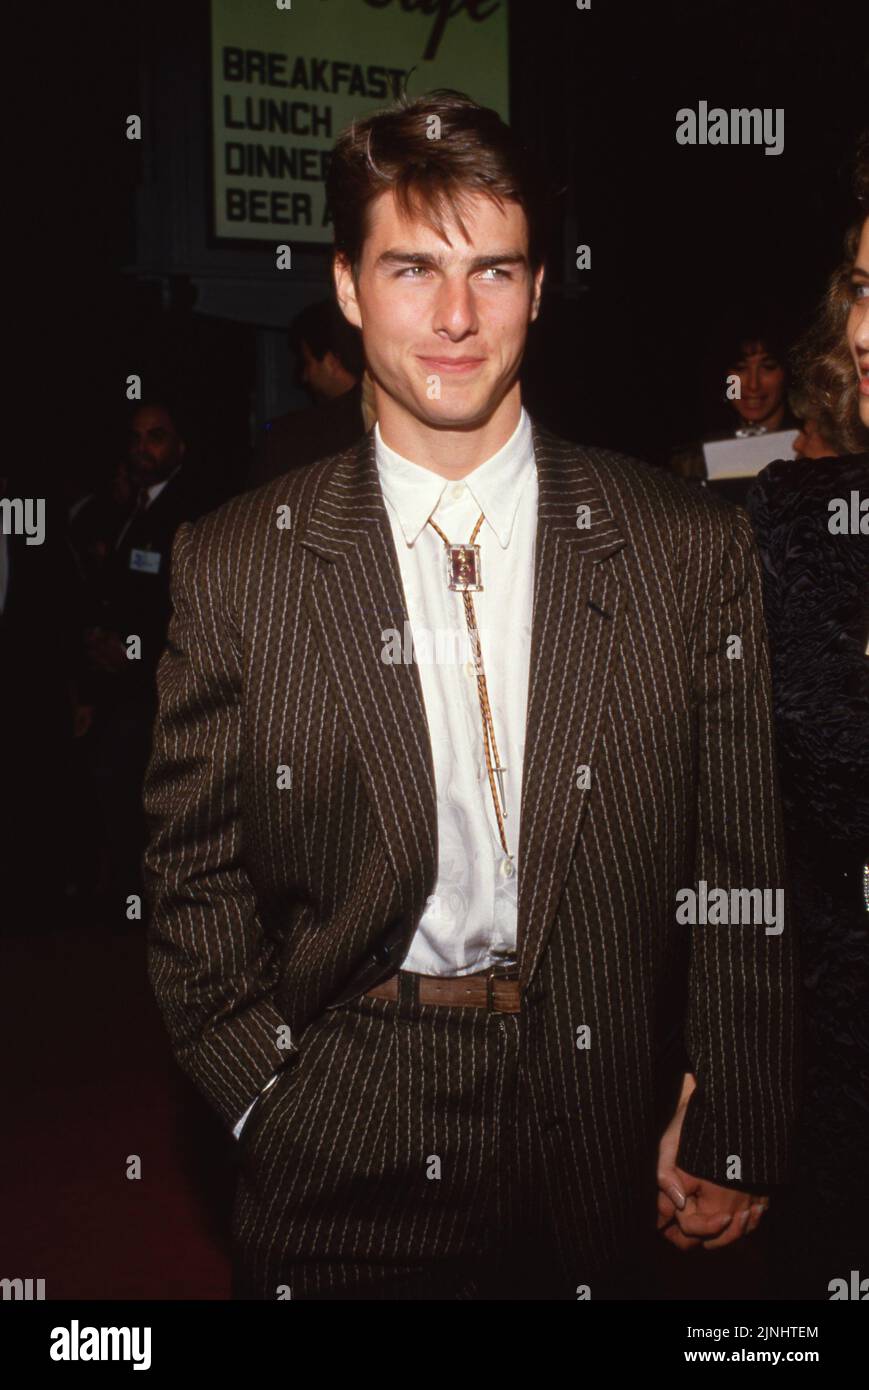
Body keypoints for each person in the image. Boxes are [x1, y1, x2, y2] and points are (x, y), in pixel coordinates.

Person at [143, 89, 799, 1302]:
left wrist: (735, 1111)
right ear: (345, 285)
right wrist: (260, 1096)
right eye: (411, 269)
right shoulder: (238, 562)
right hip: (336, 1119)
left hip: (596, 1117)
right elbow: (189, 875)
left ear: (539, 289)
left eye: (493, 272)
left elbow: (737, 857)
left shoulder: (680, 547)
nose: (455, 318)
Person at [745, 131, 869, 1300]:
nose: (865, 332)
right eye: (865, 289)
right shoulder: (794, 531)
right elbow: (747, 831)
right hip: (831, 1065)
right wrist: (716, 1080)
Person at [80, 398, 211, 902]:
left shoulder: (192, 512)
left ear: (180, 445)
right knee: (115, 797)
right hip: (117, 687)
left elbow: (186, 606)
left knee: (155, 809)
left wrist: (131, 654)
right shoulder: (123, 507)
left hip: (161, 688)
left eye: (155, 437)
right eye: (135, 438)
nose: (142, 448)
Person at [249, 299, 375, 487]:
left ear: (331, 361)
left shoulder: (290, 438)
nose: (305, 377)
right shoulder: (400, 421)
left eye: (308, 363)